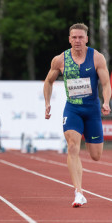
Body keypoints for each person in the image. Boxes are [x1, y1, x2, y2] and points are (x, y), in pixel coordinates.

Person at [43, 23, 111, 207]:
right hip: (72, 109)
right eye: (74, 37)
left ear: (86, 38)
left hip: (92, 110)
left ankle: (80, 188)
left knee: (96, 155)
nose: (77, 40)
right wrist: (47, 103)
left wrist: (106, 102)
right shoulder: (60, 59)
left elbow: (106, 84)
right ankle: (79, 192)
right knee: (72, 145)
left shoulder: (96, 57)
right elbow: (48, 82)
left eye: (81, 37)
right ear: (69, 39)